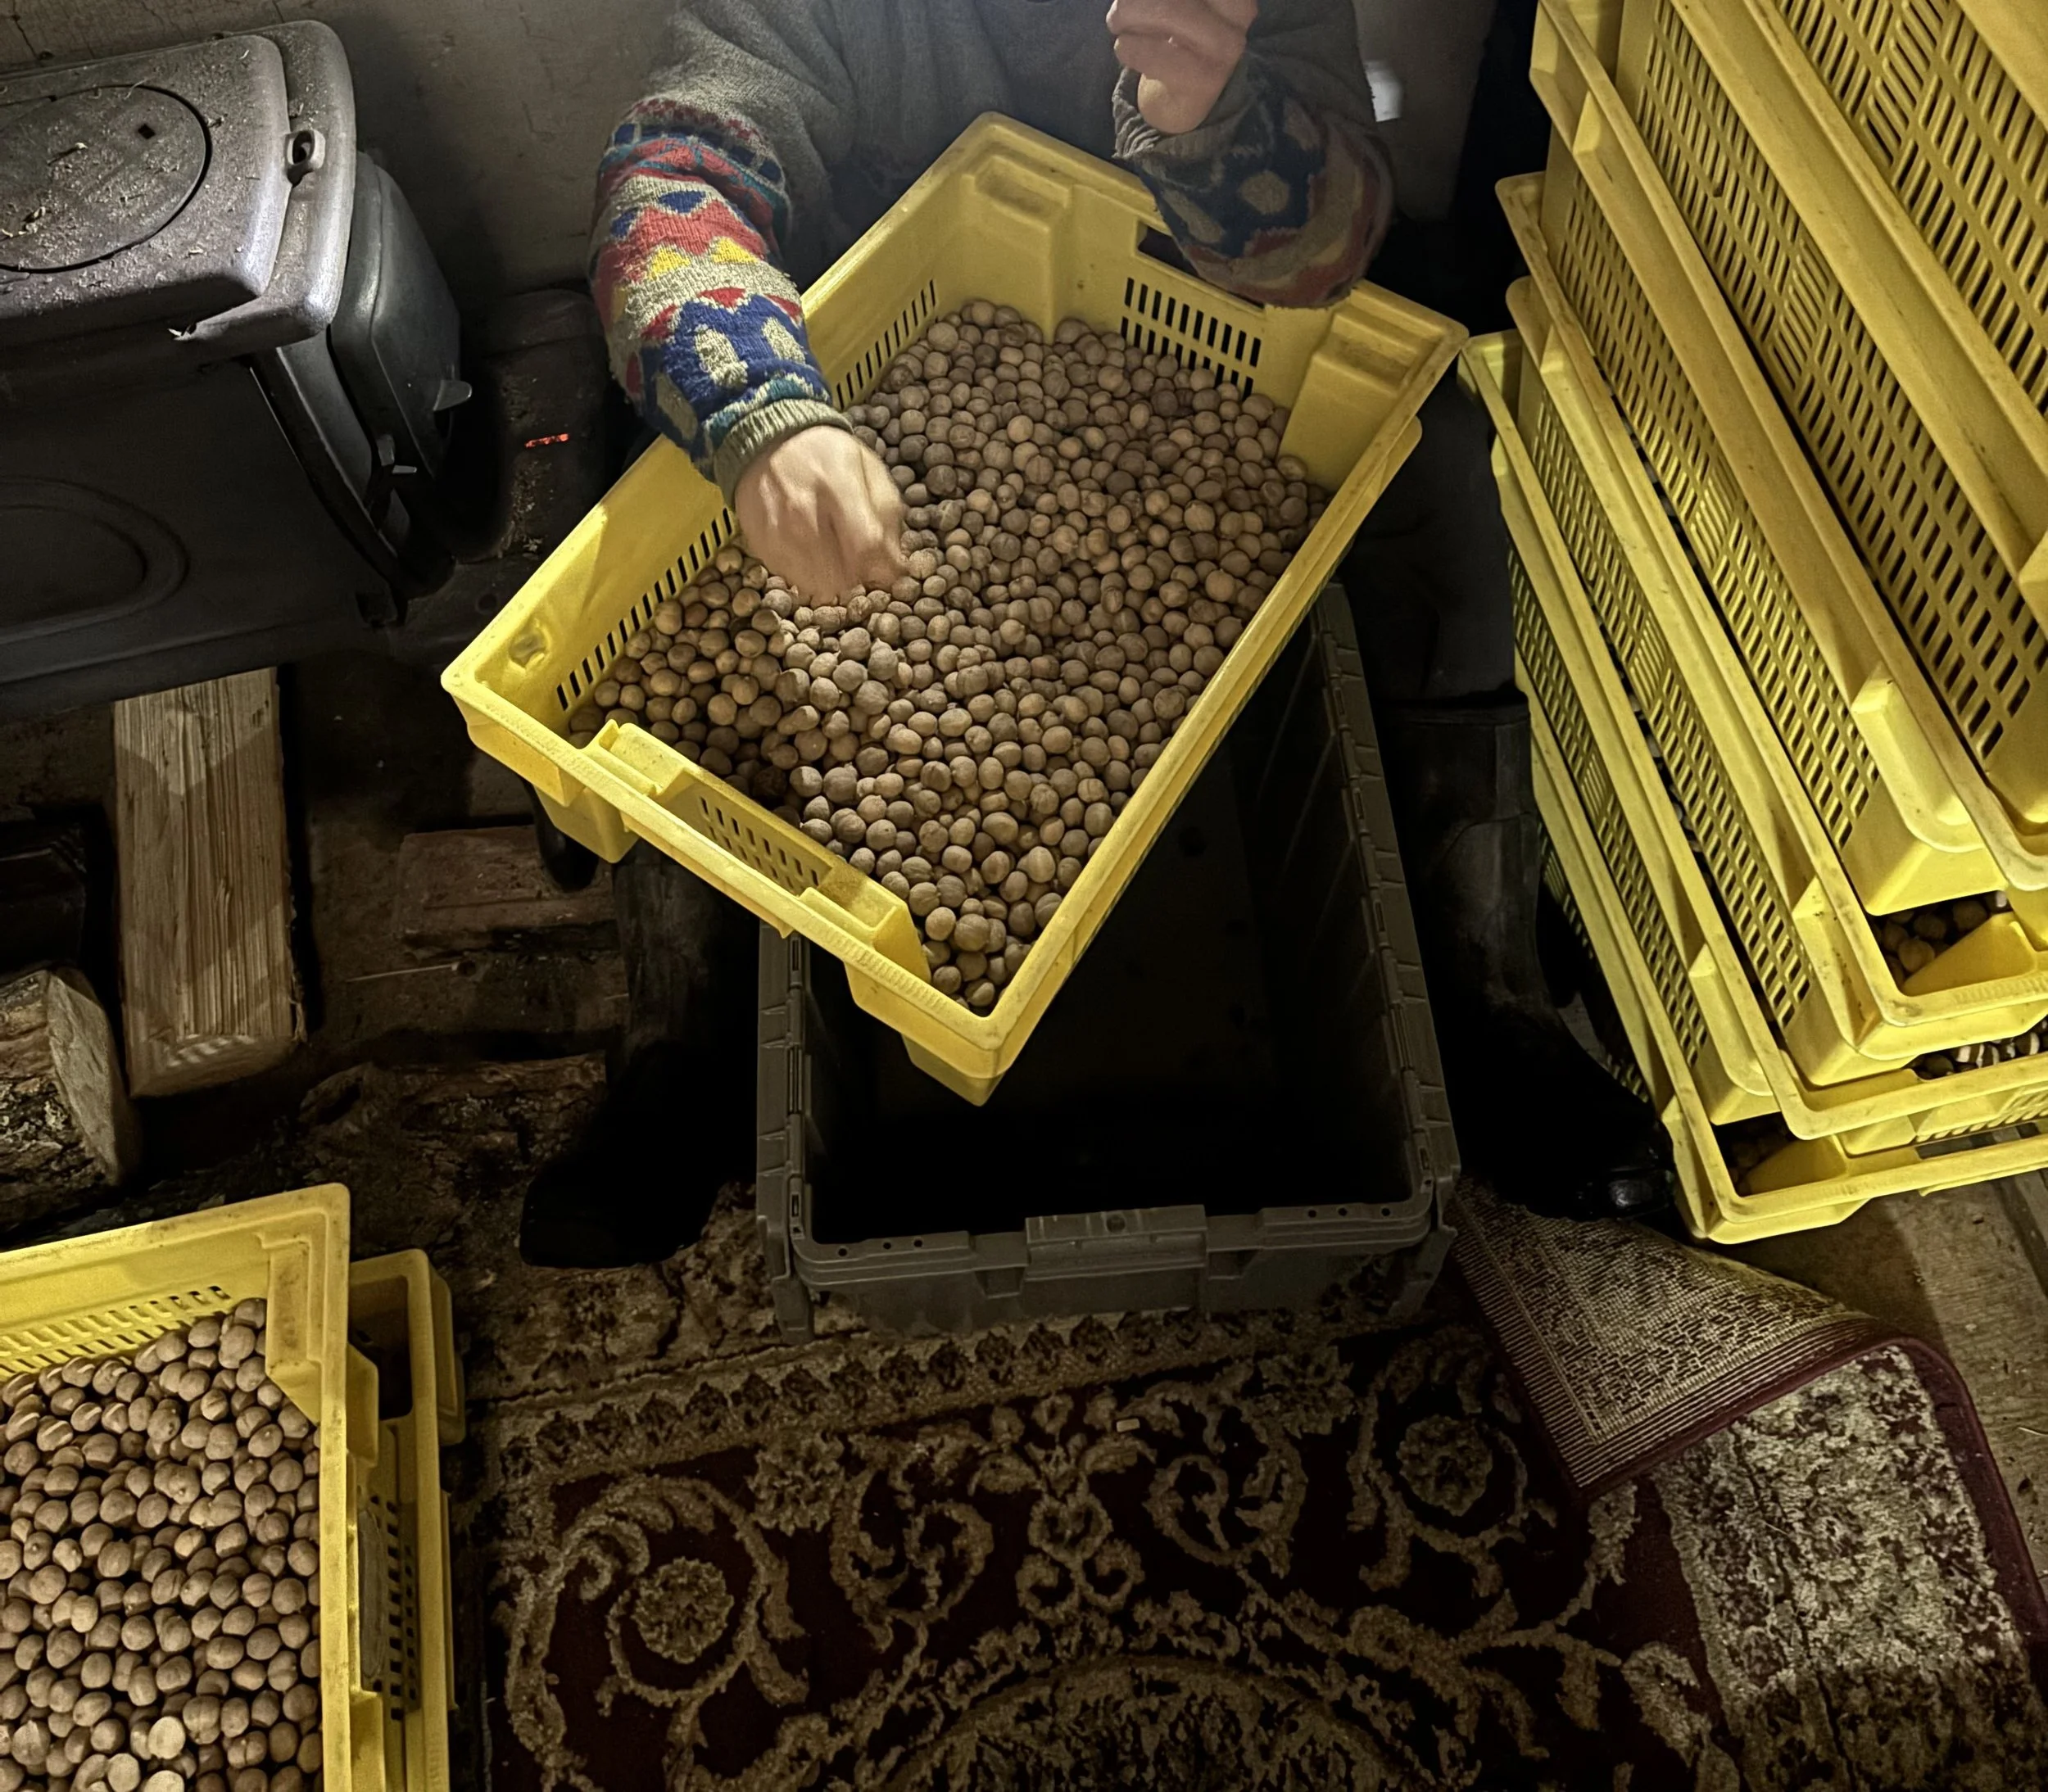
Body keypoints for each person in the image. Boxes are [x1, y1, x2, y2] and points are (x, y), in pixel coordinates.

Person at [518, 0, 1667, 1268]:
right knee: (645, 464)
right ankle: (677, 1040)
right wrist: (764, 414)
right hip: (866, 374)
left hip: (1187, 333)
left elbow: (1333, 245)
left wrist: (1214, 116)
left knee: (1441, 452)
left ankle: (1487, 989)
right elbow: (674, 170)